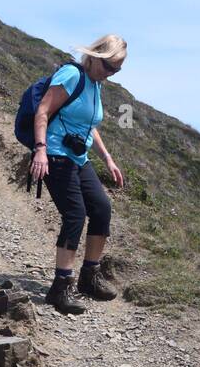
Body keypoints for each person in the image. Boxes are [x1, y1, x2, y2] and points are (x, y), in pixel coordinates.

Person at [29, 34, 127, 314]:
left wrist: (107, 158)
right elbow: (43, 111)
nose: (111, 74)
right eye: (109, 67)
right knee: (74, 214)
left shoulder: (95, 84)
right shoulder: (72, 75)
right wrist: (39, 149)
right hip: (56, 154)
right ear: (96, 57)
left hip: (78, 157)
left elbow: (89, 124)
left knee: (101, 208)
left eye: (117, 70)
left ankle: (89, 277)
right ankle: (60, 288)